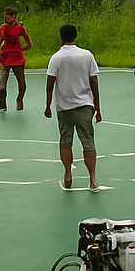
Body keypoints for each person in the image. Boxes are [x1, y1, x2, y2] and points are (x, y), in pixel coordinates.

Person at [44, 22, 102, 191]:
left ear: (61, 37)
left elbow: (50, 83)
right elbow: (94, 81)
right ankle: (92, 179)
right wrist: (97, 106)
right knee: (88, 142)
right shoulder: (87, 55)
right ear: (75, 36)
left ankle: (68, 174)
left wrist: (48, 104)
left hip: (64, 107)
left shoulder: (56, 58)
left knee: (65, 141)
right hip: (84, 105)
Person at [0, 6, 33, 112]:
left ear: (14, 16)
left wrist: (20, 49)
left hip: (17, 58)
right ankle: (3, 103)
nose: (5, 18)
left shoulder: (19, 28)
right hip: (6, 57)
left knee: (21, 83)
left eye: (7, 16)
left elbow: (29, 43)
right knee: (3, 85)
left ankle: (19, 99)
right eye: (5, 16)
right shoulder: (3, 28)